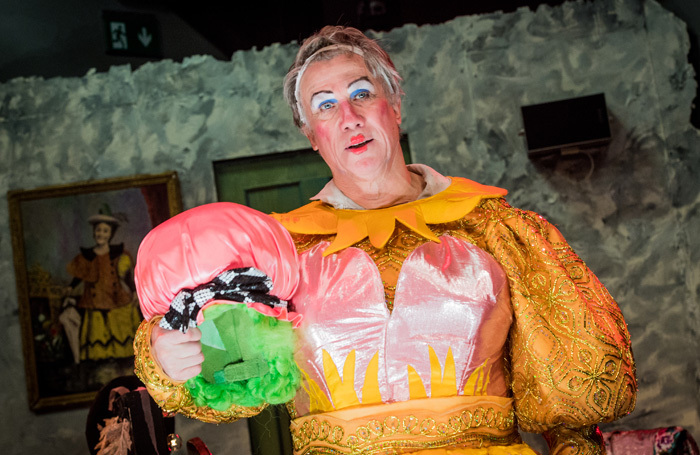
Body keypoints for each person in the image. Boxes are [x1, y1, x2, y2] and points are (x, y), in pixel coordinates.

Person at [133, 26, 636, 454]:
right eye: (324, 105)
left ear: (393, 105)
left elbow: (571, 408)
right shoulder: (275, 252)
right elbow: (231, 386)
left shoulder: (495, 228)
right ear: (312, 135)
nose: (348, 115)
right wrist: (168, 355)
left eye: (361, 93)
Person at [65, 204, 141, 363]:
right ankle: (101, 360)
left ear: (110, 234)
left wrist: (134, 291)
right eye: (98, 230)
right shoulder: (87, 256)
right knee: (98, 326)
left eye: (105, 231)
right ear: (94, 232)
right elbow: (80, 275)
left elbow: (127, 276)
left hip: (115, 297)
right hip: (95, 299)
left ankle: (123, 359)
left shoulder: (118, 254)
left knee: (119, 326)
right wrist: (70, 287)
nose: (101, 234)